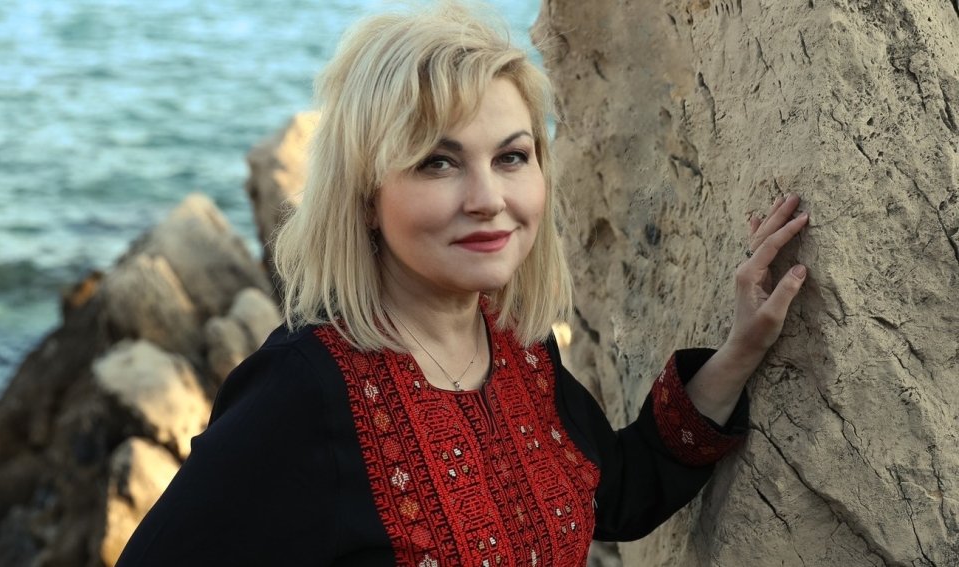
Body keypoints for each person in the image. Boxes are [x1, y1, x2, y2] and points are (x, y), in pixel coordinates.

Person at [116, 1, 809, 565]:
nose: (487, 199)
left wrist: (741, 350)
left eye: (512, 157)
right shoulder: (302, 389)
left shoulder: (520, 348)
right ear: (366, 196)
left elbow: (616, 493)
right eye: (438, 163)